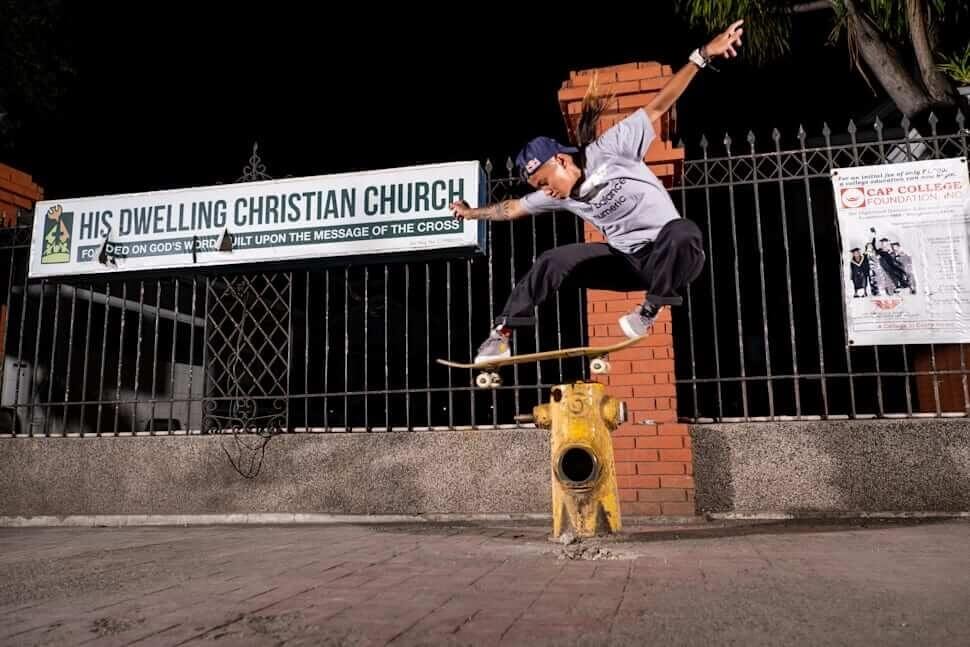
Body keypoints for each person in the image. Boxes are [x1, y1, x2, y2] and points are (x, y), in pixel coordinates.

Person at [451, 20, 745, 363]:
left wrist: (701, 56)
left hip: (676, 257)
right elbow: (512, 208)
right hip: (629, 264)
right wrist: (472, 213)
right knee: (551, 259)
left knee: (683, 230)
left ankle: (648, 312)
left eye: (545, 181)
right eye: (540, 188)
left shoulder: (612, 148)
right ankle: (501, 335)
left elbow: (658, 106)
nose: (547, 191)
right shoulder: (558, 195)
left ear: (562, 160)